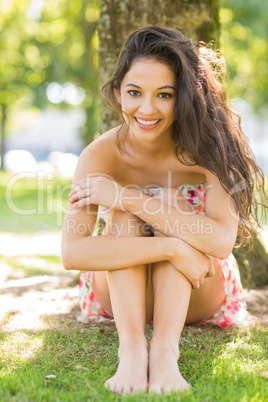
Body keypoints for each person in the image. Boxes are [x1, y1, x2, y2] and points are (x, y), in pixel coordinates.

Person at [61, 26, 266, 395]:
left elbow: (220, 242)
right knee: (125, 218)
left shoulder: (209, 150)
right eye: (135, 92)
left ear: (184, 96)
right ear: (118, 91)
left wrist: (131, 197)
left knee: (161, 207)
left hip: (197, 289)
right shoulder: (100, 154)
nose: (147, 108)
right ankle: (132, 349)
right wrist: (172, 247)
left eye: (165, 95)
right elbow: (73, 252)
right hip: (124, 295)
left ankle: (165, 352)